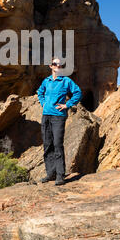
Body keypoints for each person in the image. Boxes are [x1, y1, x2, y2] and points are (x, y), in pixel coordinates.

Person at [36, 56, 82, 186]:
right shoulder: (47, 81)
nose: (58, 67)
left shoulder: (66, 81)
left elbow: (78, 93)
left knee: (57, 144)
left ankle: (60, 175)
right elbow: (40, 92)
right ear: (50, 66)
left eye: (60, 65)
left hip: (58, 116)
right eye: (55, 64)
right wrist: (43, 103)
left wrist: (67, 105)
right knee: (47, 145)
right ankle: (51, 174)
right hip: (46, 116)